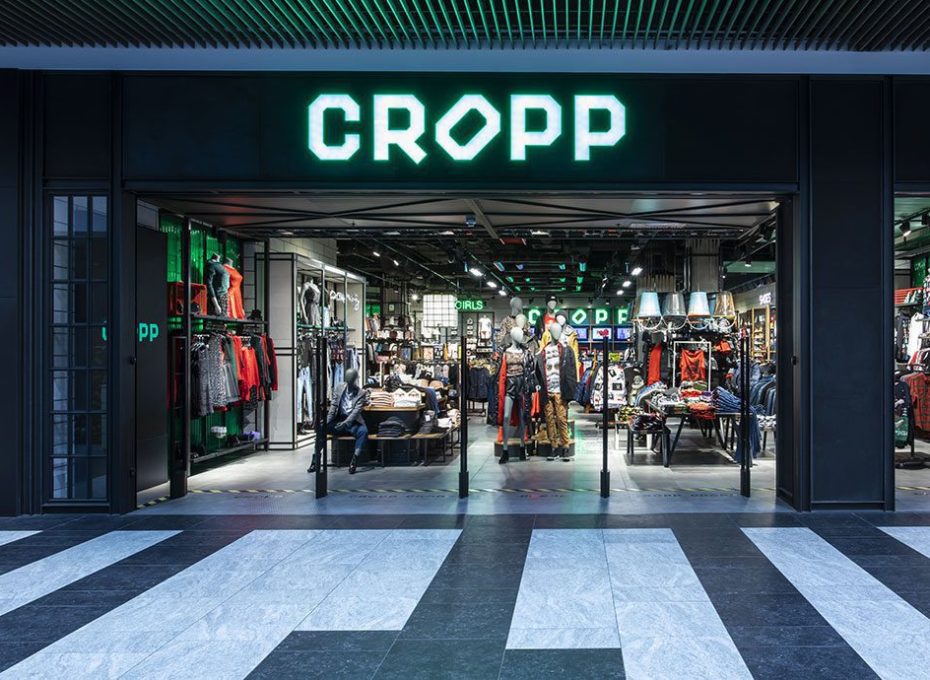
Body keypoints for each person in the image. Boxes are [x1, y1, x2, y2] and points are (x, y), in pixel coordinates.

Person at [307, 368, 369, 475]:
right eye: (348, 379)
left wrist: (345, 423)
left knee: (363, 431)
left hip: (352, 422)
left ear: (355, 380)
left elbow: (356, 412)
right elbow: (333, 406)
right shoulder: (339, 388)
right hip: (339, 419)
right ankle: (315, 460)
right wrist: (327, 421)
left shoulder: (361, 393)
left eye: (352, 379)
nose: (350, 382)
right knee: (321, 428)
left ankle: (354, 460)